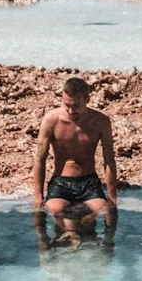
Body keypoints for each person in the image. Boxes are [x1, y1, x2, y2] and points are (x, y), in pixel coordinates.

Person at [32, 76, 118, 244]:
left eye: (76, 106)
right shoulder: (51, 120)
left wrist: (112, 197)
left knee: (99, 214)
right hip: (61, 182)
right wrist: (38, 196)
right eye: (67, 105)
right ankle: (62, 241)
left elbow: (109, 159)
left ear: (87, 100)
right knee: (55, 212)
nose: (71, 111)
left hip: (89, 182)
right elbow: (40, 158)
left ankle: (90, 242)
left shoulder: (100, 121)